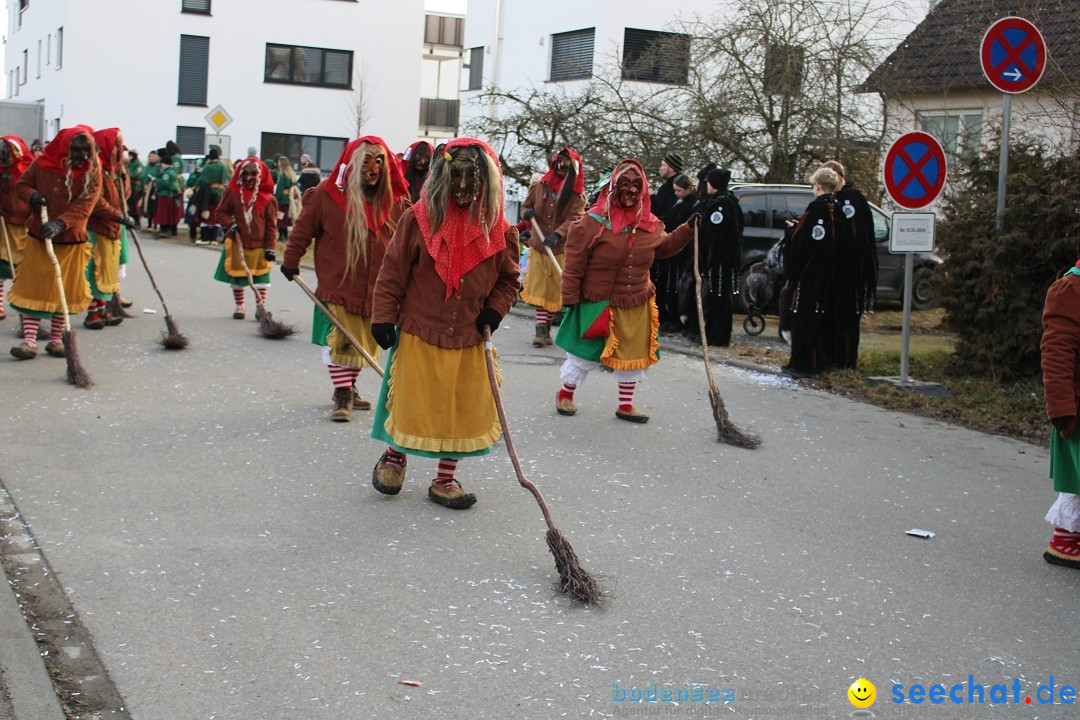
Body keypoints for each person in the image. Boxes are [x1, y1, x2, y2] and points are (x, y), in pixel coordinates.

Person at [368, 137, 519, 510]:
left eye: (473, 181)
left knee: (461, 409)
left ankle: (445, 479)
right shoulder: (416, 220)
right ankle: (394, 457)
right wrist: (383, 318)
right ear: (442, 179)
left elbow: (509, 281)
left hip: (470, 334)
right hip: (420, 329)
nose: (464, 189)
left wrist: (495, 311)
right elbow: (392, 274)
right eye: (457, 179)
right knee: (412, 402)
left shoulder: (500, 231)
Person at [554, 158, 699, 423]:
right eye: (624, 184)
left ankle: (626, 405)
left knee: (633, 355)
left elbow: (664, 249)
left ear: (643, 188)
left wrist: (688, 229)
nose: (630, 191)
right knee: (585, 355)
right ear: (613, 187)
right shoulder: (592, 222)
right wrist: (570, 299)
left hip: (635, 301)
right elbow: (574, 264)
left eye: (636, 185)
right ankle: (565, 393)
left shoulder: (650, 224)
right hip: (598, 302)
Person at [281, 135, 411, 422]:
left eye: (379, 161)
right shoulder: (326, 194)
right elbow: (302, 231)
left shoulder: (397, 202)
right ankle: (342, 392)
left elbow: (410, 244)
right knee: (340, 339)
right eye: (366, 161)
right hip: (338, 285)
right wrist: (291, 261)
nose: (373, 168)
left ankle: (348, 386)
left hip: (378, 289)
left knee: (363, 343)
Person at [9, 125, 102, 359]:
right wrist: (34, 196)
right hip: (39, 236)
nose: (81, 155)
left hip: (71, 238)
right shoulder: (42, 164)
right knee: (34, 287)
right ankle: (29, 340)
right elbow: (22, 185)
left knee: (65, 291)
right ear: (64, 146)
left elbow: (86, 203)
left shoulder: (94, 169)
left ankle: (56, 339)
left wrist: (61, 223)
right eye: (76, 149)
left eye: (85, 149)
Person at [519, 147, 586, 347]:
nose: (561, 168)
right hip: (539, 246)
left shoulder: (576, 196)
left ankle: (563, 330)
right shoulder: (539, 186)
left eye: (567, 166)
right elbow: (525, 205)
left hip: (560, 248)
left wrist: (559, 234)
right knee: (540, 288)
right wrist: (527, 213)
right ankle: (541, 330)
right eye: (559, 163)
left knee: (558, 290)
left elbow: (576, 218)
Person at [781, 166, 841, 378]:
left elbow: (804, 241)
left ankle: (804, 364)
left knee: (804, 320)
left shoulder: (817, 208)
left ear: (817, 185)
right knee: (817, 320)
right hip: (829, 275)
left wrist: (791, 231)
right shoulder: (836, 207)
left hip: (810, 275)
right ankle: (816, 361)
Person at [1041, 259, 1080, 570]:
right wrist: (1061, 409)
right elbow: (1056, 352)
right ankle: (1066, 542)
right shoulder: (1071, 289)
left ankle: (1068, 542)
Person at [823, 159, 877, 369]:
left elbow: (854, 237)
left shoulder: (850, 200)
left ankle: (845, 360)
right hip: (839, 271)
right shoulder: (838, 199)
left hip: (850, 273)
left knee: (846, 318)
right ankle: (834, 356)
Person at [84, 127, 136, 329]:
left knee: (108, 270)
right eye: (116, 149)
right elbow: (96, 202)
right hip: (98, 227)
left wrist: (123, 176)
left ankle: (103, 309)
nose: (120, 153)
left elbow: (126, 195)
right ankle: (92, 313)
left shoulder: (115, 171)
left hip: (114, 227)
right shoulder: (95, 170)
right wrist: (118, 216)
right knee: (95, 271)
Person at [213, 157, 278, 319]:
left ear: (261, 175)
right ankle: (240, 307)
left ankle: (260, 308)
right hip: (238, 242)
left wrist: (270, 247)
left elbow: (272, 226)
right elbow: (220, 213)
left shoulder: (269, 199)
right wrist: (229, 224)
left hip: (260, 245)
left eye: (253, 174)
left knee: (262, 278)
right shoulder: (232, 193)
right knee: (238, 277)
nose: (248, 178)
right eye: (245, 174)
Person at [689, 167, 742, 347]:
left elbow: (715, 234)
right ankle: (712, 331)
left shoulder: (722, 205)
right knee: (713, 296)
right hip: (717, 259)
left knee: (718, 296)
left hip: (720, 259)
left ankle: (718, 334)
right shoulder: (722, 201)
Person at [654, 173, 696, 332]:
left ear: (688, 189)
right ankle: (669, 316)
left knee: (677, 287)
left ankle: (676, 318)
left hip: (681, 252)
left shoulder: (691, 205)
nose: (676, 193)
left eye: (679, 190)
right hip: (672, 249)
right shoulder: (679, 203)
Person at [0, 135, 34, 322]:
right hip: (3, 225)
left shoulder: (27, 170)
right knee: (2, 266)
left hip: (24, 227)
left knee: (23, 268)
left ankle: (23, 307)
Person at [195, 146, 231, 244]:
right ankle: (214, 239)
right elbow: (226, 179)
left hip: (208, 193)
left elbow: (202, 179)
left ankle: (205, 238)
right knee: (216, 217)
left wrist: (195, 185)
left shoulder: (207, 167)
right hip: (219, 193)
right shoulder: (223, 166)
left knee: (206, 215)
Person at [152, 149, 181, 237]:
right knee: (162, 214)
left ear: (165, 163)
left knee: (164, 214)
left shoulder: (168, 173)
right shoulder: (169, 172)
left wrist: (155, 180)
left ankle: (166, 230)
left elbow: (165, 183)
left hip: (166, 195)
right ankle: (163, 229)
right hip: (164, 195)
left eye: (163, 163)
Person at [272, 155, 300, 243]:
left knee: (280, 218)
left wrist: (275, 198)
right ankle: (286, 236)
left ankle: (281, 236)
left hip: (283, 200)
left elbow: (280, 189)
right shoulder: (292, 174)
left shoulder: (282, 174)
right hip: (289, 200)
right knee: (287, 218)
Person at [650, 152, 684, 221]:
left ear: (671, 168)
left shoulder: (677, 187)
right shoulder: (665, 186)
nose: (660, 168)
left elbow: (662, 210)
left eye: (663, 165)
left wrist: (651, 196)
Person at [125, 150, 144, 225]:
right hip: (129, 186)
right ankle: (130, 220)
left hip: (136, 187)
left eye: (131, 155)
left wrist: (128, 175)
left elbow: (139, 175)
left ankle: (137, 221)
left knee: (134, 204)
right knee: (129, 204)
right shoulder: (129, 164)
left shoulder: (138, 164)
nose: (129, 157)